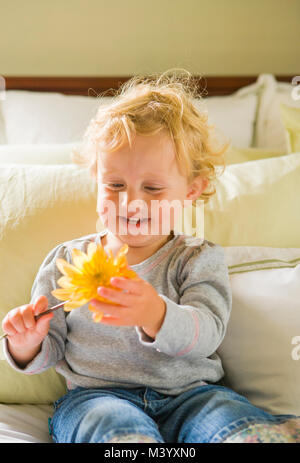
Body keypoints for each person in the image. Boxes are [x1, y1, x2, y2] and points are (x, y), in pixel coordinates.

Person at [1, 70, 297, 443]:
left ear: (192, 189)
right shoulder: (68, 259)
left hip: (192, 396)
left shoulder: (196, 259)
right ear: (96, 179)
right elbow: (52, 349)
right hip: (97, 397)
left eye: (153, 188)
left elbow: (207, 332)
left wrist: (155, 314)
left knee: (233, 424)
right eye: (114, 185)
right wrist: (26, 343)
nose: (131, 202)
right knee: (113, 430)